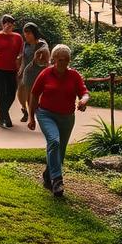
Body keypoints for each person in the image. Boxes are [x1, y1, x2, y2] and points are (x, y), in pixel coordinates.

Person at [28, 44, 89, 197]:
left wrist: (83, 100)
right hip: (46, 114)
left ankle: (48, 174)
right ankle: (57, 180)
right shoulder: (46, 73)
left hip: (67, 117)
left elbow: (84, 92)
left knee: (60, 152)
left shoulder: (74, 75)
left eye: (66, 60)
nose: (63, 63)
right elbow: (34, 94)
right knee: (54, 141)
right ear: (54, 59)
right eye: (60, 60)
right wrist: (31, 117)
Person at [0, 14, 23, 128]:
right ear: (2, 24)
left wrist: (20, 66)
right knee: (1, 93)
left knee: (12, 94)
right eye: (6, 22)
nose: (8, 25)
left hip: (12, 69)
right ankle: (6, 118)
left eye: (11, 23)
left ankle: (1, 115)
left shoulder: (18, 37)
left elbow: (21, 53)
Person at [17, 22, 49, 122]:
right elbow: (24, 57)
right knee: (20, 93)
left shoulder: (42, 44)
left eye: (28, 33)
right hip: (25, 72)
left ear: (34, 33)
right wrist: (21, 68)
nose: (26, 35)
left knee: (31, 96)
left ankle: (31, 117)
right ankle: (24, 109)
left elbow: (45, 58)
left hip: (36, 73)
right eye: (25, 33)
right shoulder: (26, 44)